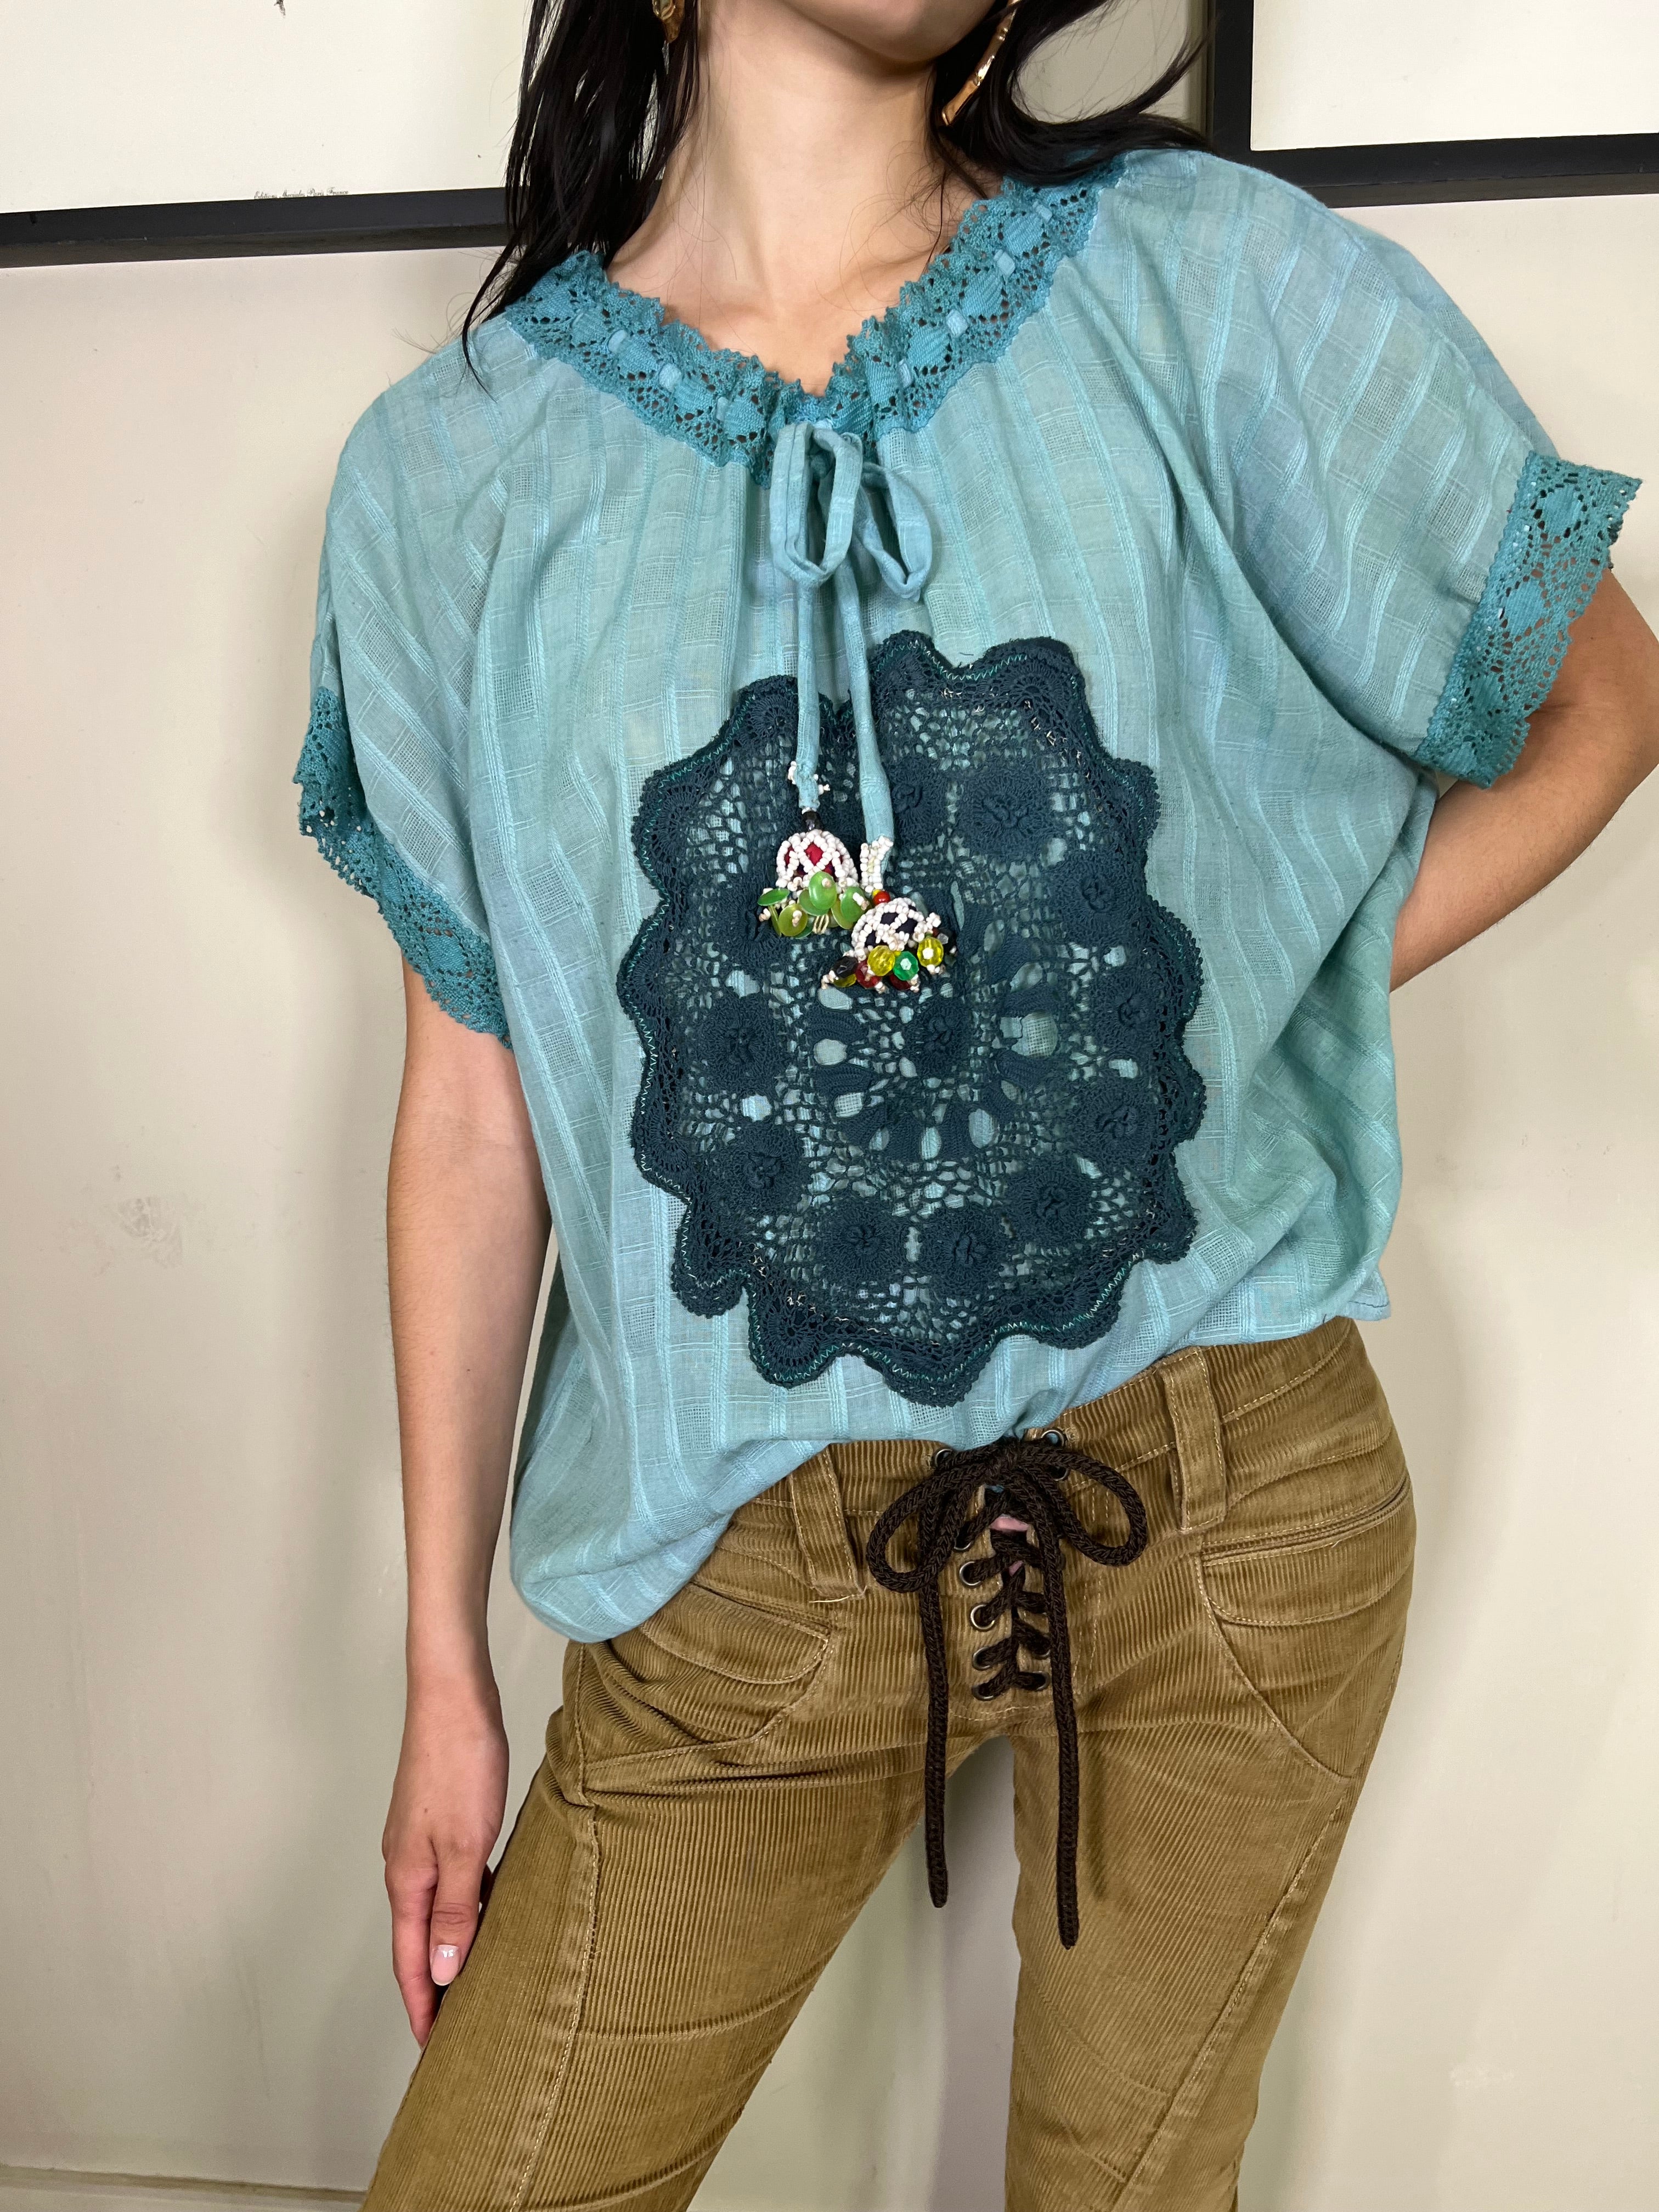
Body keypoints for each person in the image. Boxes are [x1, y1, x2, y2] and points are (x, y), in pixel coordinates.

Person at [294, 0, 1658, 2203]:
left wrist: (1206, 1003)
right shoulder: (447, 479)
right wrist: (437, 1663)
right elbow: (476, 1098)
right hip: (741, 1577)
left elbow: (1599, 694)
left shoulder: (1198, 283)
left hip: (1236, 1501)